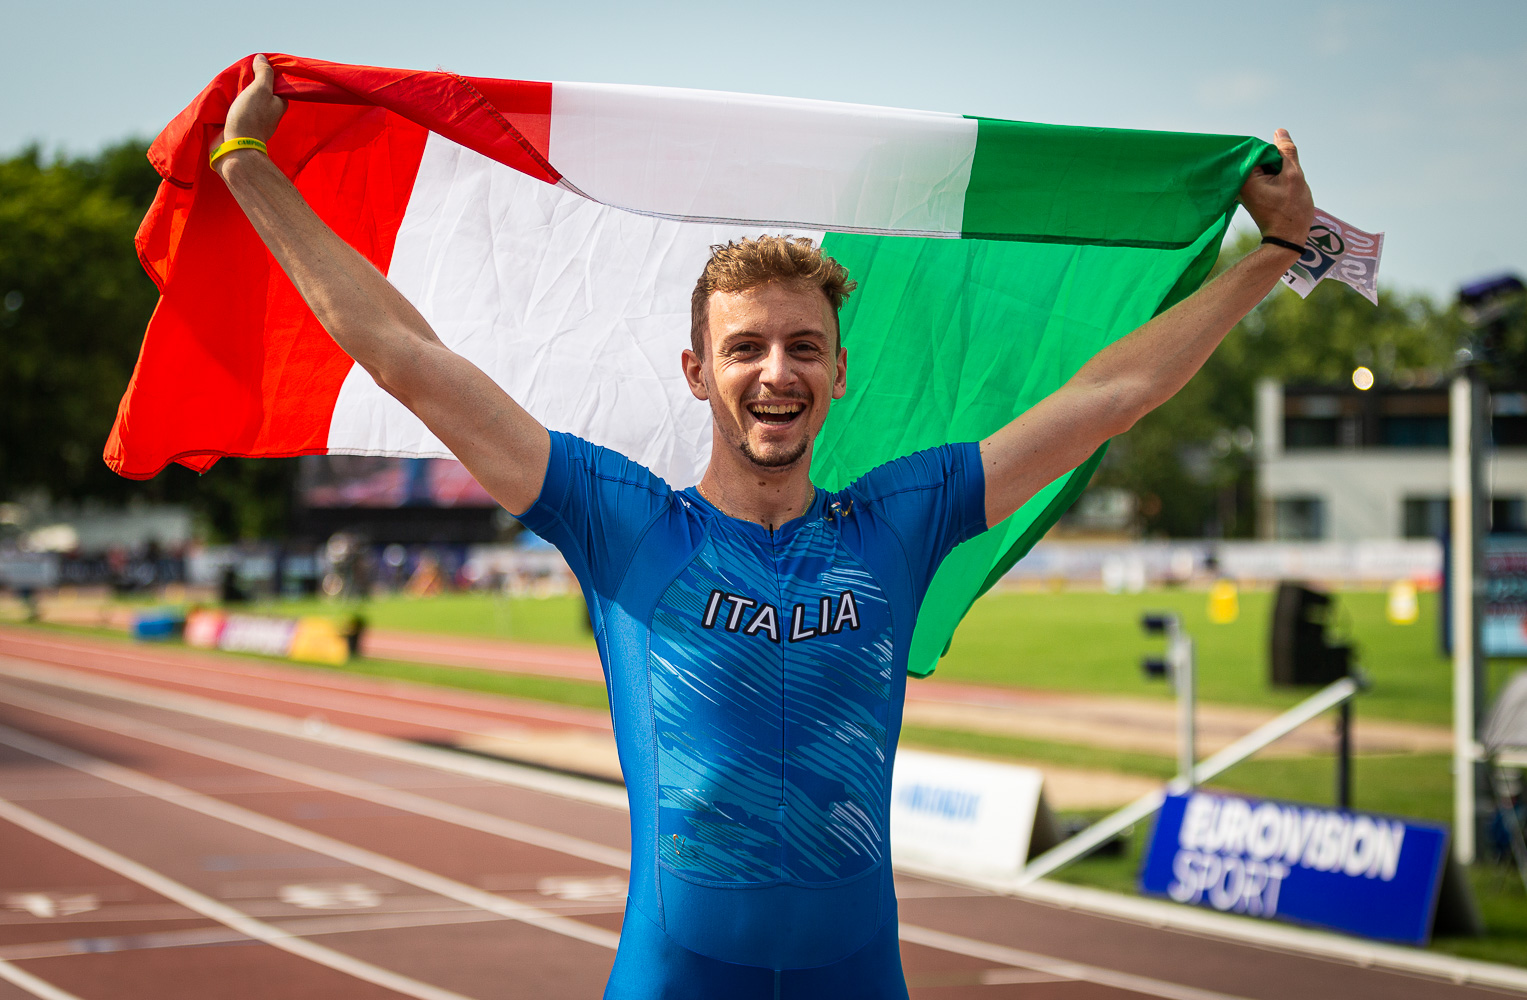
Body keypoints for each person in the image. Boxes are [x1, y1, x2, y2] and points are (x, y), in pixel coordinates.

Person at [211, 55, 1313, 1000]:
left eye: (801, 346)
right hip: (673, 971)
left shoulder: (905, 516)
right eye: (744, 348)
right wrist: (249, 170)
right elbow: (412, 359)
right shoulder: (620, 520)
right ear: (697, 373)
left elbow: (1109, 395)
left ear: (840, 372)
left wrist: (1270, 258)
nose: (774, 372)